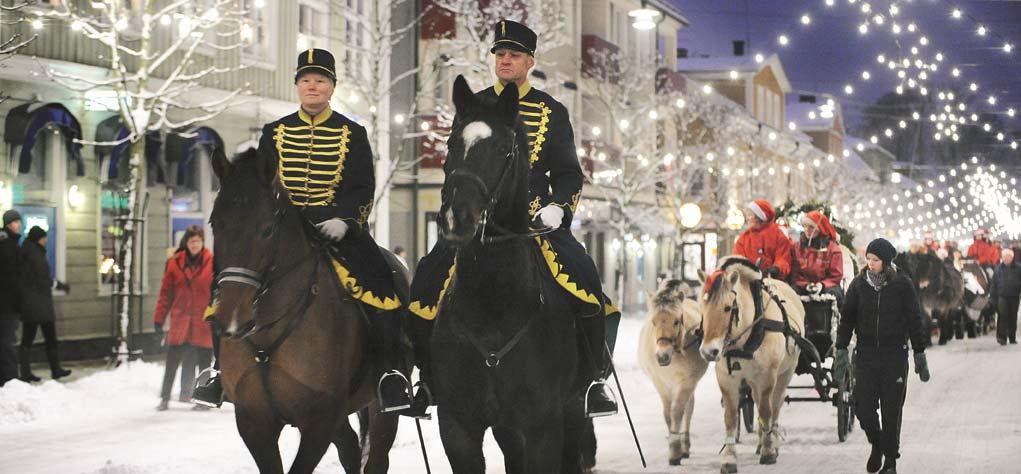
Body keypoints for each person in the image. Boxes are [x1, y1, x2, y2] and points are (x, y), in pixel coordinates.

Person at [406, 20, 620, 419]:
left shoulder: (551, 111)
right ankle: (425, 377)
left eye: (514, 55)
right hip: (476, 224)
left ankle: (592, 381)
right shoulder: (473, 107)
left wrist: (559, 207)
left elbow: (570, 173)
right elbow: (458, 168)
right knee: (427, 274)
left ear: (529, 62)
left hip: (538, 224)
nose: (505, 60)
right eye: (500, 54)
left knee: (586, 278)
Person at [191, 48, 412, 413]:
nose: (313, 86)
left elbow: (362, 186)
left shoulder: (352, 133)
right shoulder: (274, 132)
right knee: (230, 283)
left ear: (331, 87)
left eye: (320, 80)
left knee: (382, 280)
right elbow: (258, 186)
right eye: (306, 80)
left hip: (337, 231)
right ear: (297, 86)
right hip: (283, 231)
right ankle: (220, 372)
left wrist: (346, 220)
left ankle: (390, 374)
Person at [834, 238, 929, 474]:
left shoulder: (902, 285)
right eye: (868, 259)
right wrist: (841, 349)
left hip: (894, 355)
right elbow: (847, 319)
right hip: (865, 355)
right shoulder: (858, 285)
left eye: (875, 260)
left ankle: (890, 461)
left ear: (886, 262)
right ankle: (876, 444)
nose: (871, 264)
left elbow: (915, 320)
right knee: (863, 408)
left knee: (891, 411)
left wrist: (919, 353)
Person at [153, 226, 214, 411]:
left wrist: (214, 317)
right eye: (191, 241)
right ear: (186, 243)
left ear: (202, 242)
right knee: (171, 363)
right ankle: (164, 398)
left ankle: (204, 400)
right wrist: (159, 318)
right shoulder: (174, 264)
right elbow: (165, 294)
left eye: (198, 241)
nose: (195, 245)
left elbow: (218, 293)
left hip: (203, 322)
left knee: (204, 363)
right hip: (180, 321)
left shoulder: (212, 263)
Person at [17, 226, 72, 382]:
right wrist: (59, 285)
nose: (46, 240)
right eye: (44, 237)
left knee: (28, 339)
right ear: (38, 239)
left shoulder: (27, 250)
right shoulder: (35, 254)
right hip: (39, 303)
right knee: (49, 337)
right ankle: (54, 370)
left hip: (30, 303)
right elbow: (42, 279)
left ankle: (26, 372)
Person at [733, 199, 792, 318]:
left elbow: (783, 258)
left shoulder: (778, 234)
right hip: (749, 282)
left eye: (751, 215)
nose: (748, 218)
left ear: (760, 217)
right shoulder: (743, 239)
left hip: (772, 281)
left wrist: (776, 268)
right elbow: (738, 260)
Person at [790, 210, 844, 304]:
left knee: (831, 295)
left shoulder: (833, 250)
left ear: (820, 229)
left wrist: (821, 285)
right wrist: (806, 285)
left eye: (811, 227)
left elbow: (836, 276)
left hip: (826, 287)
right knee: (791, 293)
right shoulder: (797, 247)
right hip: (804, 286)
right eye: (805, 226)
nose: (807, 230)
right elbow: (795, 274)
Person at [0, 210, 22, 386]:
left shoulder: (9, 244)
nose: (19, 224)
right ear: (8, 224)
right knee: (7, 342)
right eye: (15, 222)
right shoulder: (9, 246)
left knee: (5, 341)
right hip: (7, 304)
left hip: (7, 303)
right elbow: (13, 278)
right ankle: (10, 379)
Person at [989, 248, 1020, 345]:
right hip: (1002, 296)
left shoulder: (1018, 268)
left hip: (1014, 295)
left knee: (1013, 317)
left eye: (1008, 257)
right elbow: (993, 283)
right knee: (1002, 316)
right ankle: (1001, 338)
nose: (1006, 259)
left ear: (1012, 257)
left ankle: (1012, 337)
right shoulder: (998, 269)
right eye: (1004, 257)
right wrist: (992, 296)